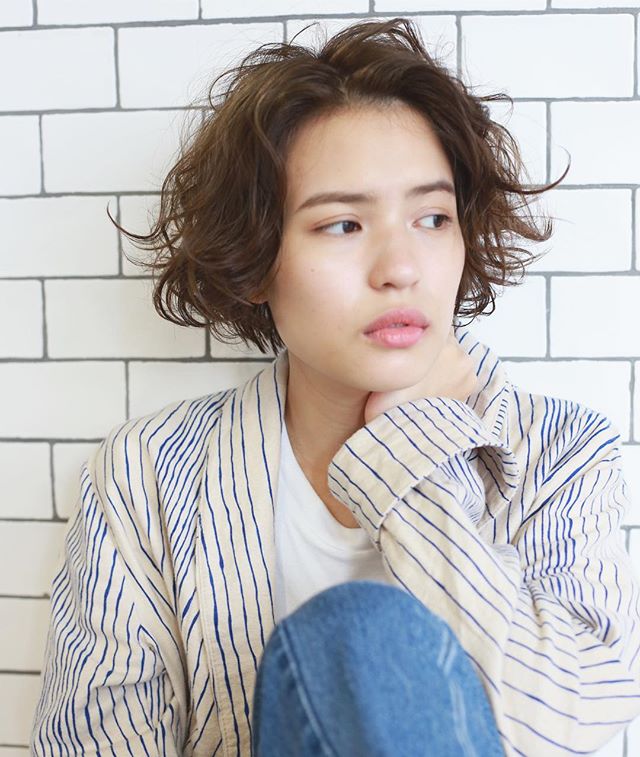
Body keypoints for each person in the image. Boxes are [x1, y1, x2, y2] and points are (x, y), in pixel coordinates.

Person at [30, 16, 640, 757]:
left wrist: (412, 452)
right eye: (344, 226)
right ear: (257, 261)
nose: (401, 268)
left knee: (367, 636)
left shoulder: (561, 451)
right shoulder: (149, 475)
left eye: (433, 218)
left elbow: (567, 720)